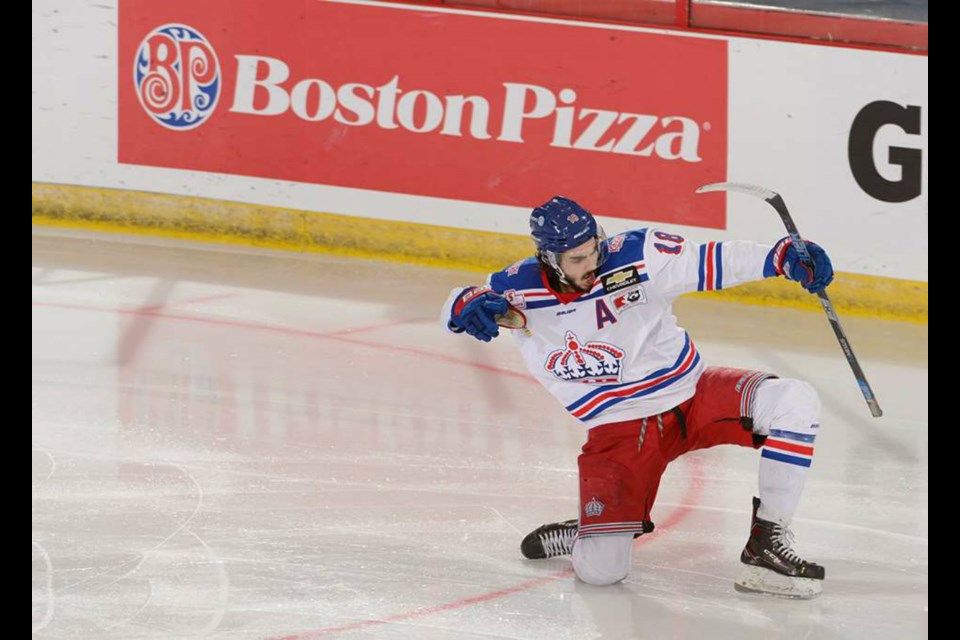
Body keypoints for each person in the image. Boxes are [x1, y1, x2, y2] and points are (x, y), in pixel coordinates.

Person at [440, 196, 835, 599]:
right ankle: (588, 531)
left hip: (693, 397)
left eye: (592, 249)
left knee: (794, 401)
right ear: (549, 258)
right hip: (619, 432)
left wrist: (778, 256)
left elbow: (713, 260)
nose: (590, 263)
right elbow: (459, 304)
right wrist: (460, 305)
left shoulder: (640, 254)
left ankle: (765, 544)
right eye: (576, 259)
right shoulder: (516, 290)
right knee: (602, 572)